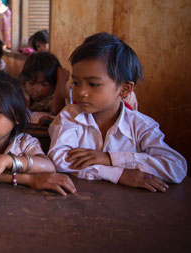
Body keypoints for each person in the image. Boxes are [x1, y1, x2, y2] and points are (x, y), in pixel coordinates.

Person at [48, 32, 187, 191]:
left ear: (125, 89)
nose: (81, 92)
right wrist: (118, 174)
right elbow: (60, 160)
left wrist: (110, 158)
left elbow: (176, 167)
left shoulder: (140, 126)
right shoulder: (70, 116)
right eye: (77, 83)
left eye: (93, 84)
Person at [0, 71, 76, 196]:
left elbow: (48, 166)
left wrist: (7, 161)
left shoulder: (25, 142)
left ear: (17, 117)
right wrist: (28, 179)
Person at [19, 52, 69, 122]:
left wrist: (61, 82)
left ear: (55, 84)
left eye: (44, 84)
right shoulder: (21, 94)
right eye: (32, 83)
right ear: (24, 80)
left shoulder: (52, 99)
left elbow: (56, 113)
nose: (37, 90)